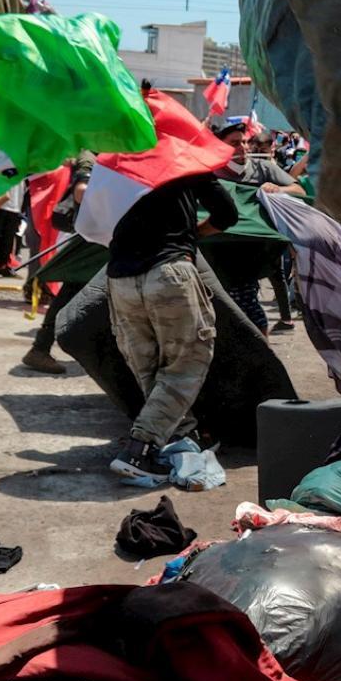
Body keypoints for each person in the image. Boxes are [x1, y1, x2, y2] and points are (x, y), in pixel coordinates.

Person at [104, 171, 238, 479]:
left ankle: (180, 438)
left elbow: (86, 215)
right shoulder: (184, 157)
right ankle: (138, 449)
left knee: (149, 368)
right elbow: (227, 213)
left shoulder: (114, 158)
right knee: (186, 364)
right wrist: (191, 235)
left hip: (120, 279)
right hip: (170, 273)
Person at [214, 122, 304, 335]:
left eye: (245, 142)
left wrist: (277, 189)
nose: (242, 147)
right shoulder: (210, 173)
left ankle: (262, 350)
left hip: (255, 249)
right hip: (219, 251)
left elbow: (298, 190)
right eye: (235, 143)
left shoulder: (263, 168)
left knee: (249, 303)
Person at [23, 152, 96, 374]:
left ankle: (42, 348)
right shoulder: (93, 154)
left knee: (80, 292)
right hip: (93, 237)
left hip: (96, 235)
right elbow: (81, 192)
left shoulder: (102, 150)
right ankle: (40, 349)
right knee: (74, 290)